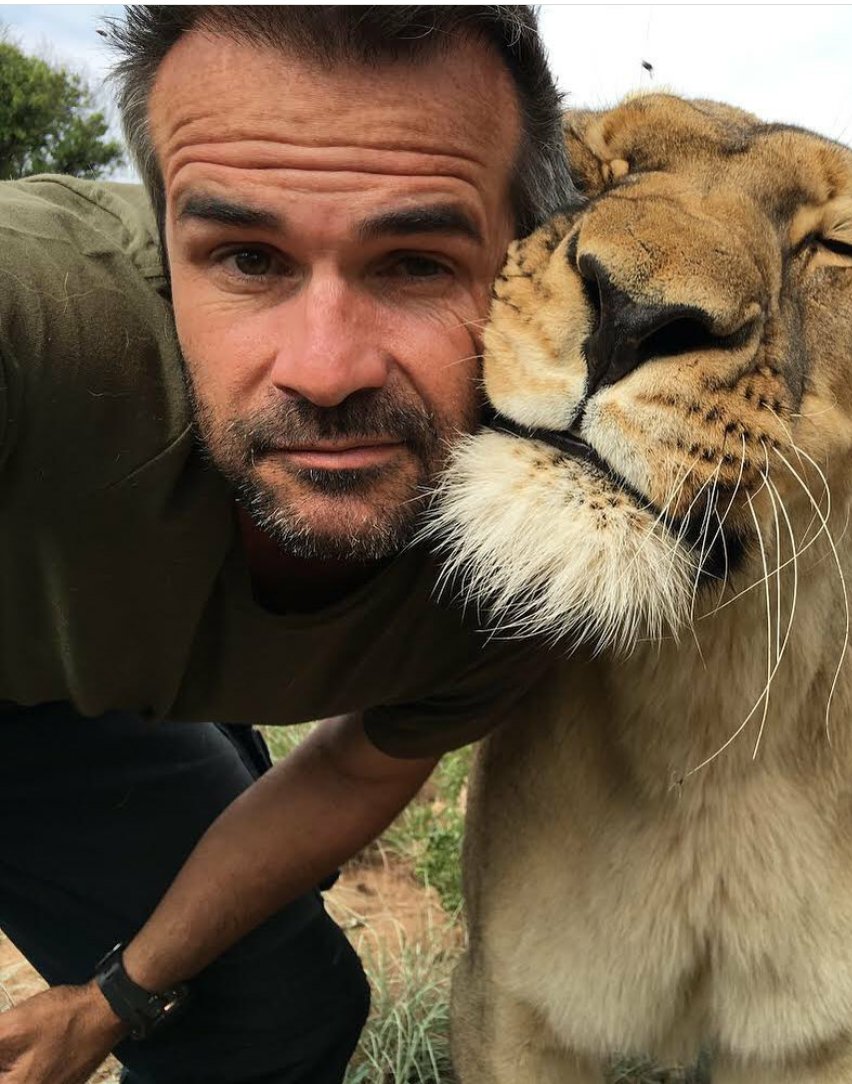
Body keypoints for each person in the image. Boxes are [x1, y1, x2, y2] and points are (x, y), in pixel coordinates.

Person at [0, 7, 574, 1084]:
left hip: (102, 690)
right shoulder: (39, 320)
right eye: (248, 258)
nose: (325, 369)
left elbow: (360, 762)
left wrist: (112, 1000)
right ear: (166, 242)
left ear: (528, 263)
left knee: (279, 1005)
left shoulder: (552, 547)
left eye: (414, 264)